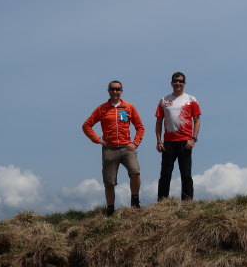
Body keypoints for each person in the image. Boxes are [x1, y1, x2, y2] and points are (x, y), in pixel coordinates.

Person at [82, 80, 144, 215]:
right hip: (109, 149)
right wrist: (97, 139)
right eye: (112, 89)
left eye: (118, 89)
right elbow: (86, 125)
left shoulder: (129, 107)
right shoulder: (102, 108)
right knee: (109, 182)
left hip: (127, 148)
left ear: (122, 91)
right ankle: (110, 209)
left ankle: (135, 201)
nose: (115, 92)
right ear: (108, 91)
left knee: (135, 172)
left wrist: (135, 142)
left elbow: (139, 127)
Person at [155, 71, 201, 201]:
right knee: (165, 174)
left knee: (186, 174)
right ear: (171, 83)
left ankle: (187, 204)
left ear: (184, 83)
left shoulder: (191, 99)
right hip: (168, 142)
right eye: (175, 81)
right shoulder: (164, 100)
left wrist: (193, 139)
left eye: (180, 81)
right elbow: (158, 122)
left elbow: (197, 120)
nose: (178, 83)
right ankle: (162, 203)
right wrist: (159, 141)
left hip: (185, 141)